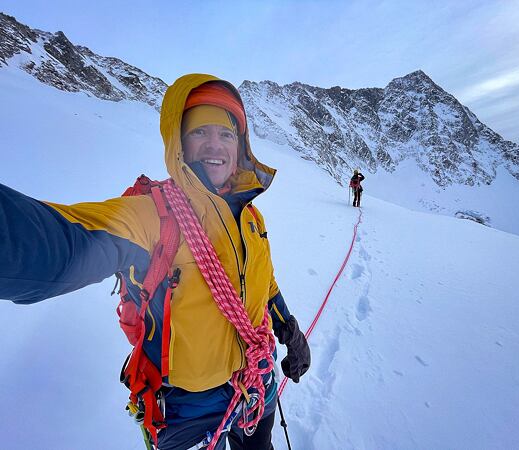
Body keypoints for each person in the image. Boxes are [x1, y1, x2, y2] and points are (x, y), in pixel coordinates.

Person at [0, 74, 310, 450]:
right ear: (179, 142)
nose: (215, 144)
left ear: (241, 147)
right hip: (185, 407)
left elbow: (264, 284)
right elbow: (59, 243)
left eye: (227, 134)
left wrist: (290, 333)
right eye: (200, 132)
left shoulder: (252, 219)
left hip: (257, 382)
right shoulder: (153, 217)